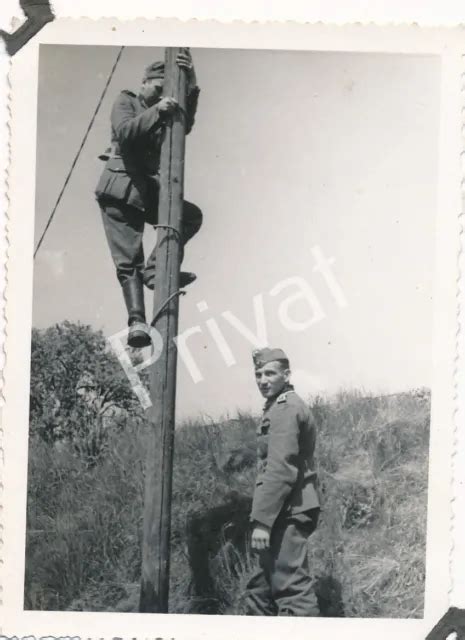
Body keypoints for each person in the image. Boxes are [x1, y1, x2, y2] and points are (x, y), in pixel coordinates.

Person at [95, 50, 202, 348]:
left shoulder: (165, 109)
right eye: (156, 89)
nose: (159, 97)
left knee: (190, 215)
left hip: (147, 188)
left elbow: (185, 125)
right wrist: (158, 111)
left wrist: (190, 85)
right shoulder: (127, 101)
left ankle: (157, 270)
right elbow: (126, 132)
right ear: (144, 83)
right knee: (129, 260)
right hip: (120, 187)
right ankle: (137, 322)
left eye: (163, 93)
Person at [245, 347, 320, 616]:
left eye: (270, 373)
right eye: (258, 374)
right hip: (282, 509)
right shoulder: (278, 407)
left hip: (288, 511)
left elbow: (279, 469)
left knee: (292, 592)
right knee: (260, 589)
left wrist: (263, 522)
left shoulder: (285, 409)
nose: (263, 380)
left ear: (286, 375)